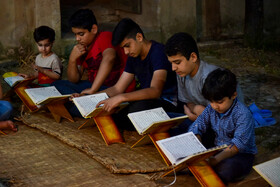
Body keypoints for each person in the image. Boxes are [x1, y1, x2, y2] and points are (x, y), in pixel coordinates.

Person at [96, 18, 178, 130]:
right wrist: (91, 98)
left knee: (133, 111)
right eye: (123, 48)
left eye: (127, 45)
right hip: (146, 101)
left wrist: (121, 98)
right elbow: (117, 88)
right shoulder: (133, 56)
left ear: (139, 37)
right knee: (112, 112)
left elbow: (155, 91)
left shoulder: (158, 52)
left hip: (167, 104)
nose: (126, 52)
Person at [165, 32, 244, 135]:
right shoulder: (181, 73)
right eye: (171, 63)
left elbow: (221, 112)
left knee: (184, 132)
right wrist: (195, 109)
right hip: (200, 116)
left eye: (177, 62)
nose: (173, 68)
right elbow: (188, 103)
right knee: (162, 121)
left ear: (193, 57)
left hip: (224, 121)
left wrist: (196, 115)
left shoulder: (209, 77)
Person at [188, 68, 257, 184]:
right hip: (218, 147)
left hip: (241, 154)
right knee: (193, 158)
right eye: (211, 101)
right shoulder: (211, 108)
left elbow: (236, 146)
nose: (215, 106)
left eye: (220, 102)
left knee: (227, 170)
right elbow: (198, 125)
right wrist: (197, 146)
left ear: (234, 95)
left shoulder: (243, 114)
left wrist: (215, 160)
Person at [52, 9, 129, 95]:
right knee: (56, 85)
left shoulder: (104, 36)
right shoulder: (82, 48)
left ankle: (79, 101)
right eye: (75, 34)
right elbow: (74, 80)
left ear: (94, 29)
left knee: (74, 98)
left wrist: (93, 89)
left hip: (114, 88)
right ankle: (79, 100)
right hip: (94, 87)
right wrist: (72, 59)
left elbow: (109, 58)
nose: (77, 39)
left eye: (81, 34)